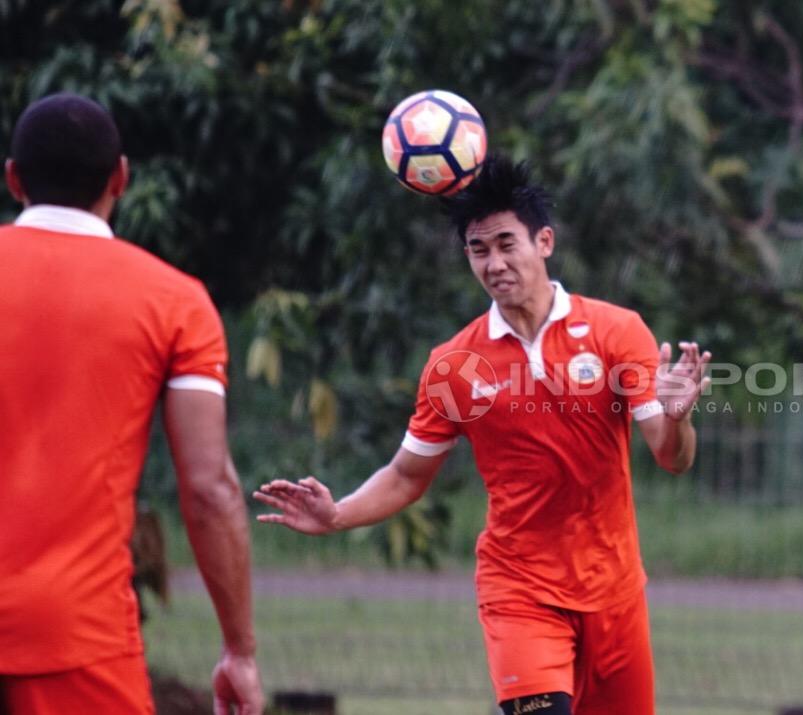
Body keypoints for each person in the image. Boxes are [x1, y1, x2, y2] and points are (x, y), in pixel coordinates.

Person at [255, 156, 710, 715]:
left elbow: (671, 456)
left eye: (505, 243)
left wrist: (681, 417)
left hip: (614, 591)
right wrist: (338, 513)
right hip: (519, 588)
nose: (494, 263)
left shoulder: (617, 332)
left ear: (544, 241)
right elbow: (406, 474)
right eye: (478, 249)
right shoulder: (456, 364)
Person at [0, 93, 263, 715]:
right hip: (75, 631)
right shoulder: (174, 301)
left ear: (13, 178)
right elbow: (209, 490)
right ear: (121, 176)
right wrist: (240, 650)